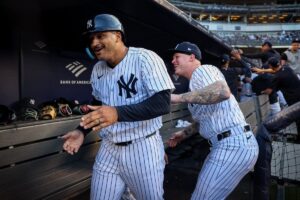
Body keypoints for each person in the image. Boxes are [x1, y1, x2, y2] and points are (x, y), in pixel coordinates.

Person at [61, 14, 174, 200]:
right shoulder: (98, 69)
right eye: (91, 39)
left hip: (142, 147)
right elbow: (97, 105)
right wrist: (81, 130)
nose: (94, 43)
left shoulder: (145, 58)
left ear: (117, 36)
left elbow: (162, 103)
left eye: (100, 36)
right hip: (108, 149)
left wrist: (117, 113)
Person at [167, 41, 259, 200]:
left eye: (177, 57)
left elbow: (223, 92)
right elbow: (205, 118)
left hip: (232, 144)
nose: (173, 61)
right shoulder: (194, 86)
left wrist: (177, 97)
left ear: (191, 57)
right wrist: (185, 133)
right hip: (228, 144)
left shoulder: (203, 70)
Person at [257, 57, 300, 142]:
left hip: (294, 101)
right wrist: (262, 71)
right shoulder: (287, 68)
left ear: (270, 65)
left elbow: (269, 91)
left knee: (298, 120)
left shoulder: (277, 77)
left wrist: (261, 92)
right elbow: (276, 71)